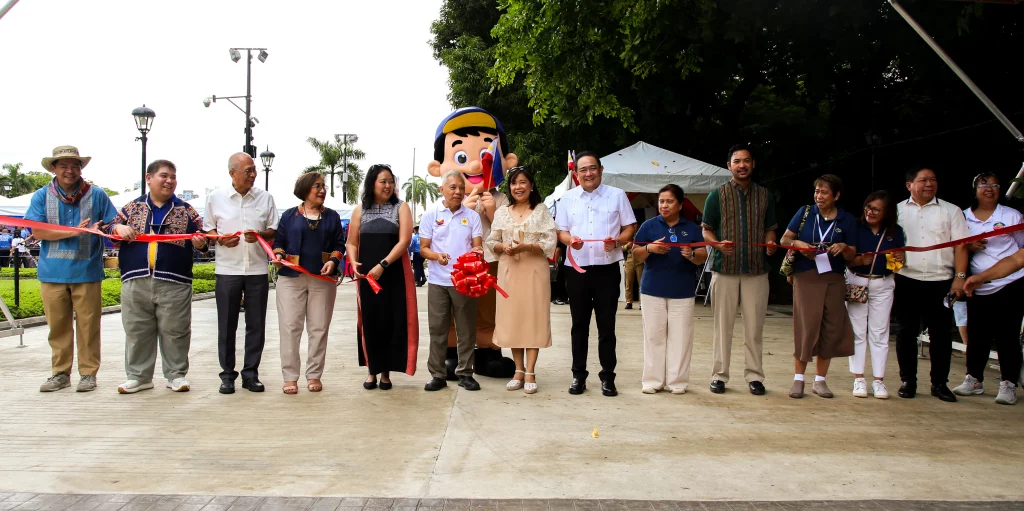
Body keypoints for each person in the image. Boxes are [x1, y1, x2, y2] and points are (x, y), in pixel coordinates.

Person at [27, 146, 130, 393]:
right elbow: (37, 231)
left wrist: (117, 229)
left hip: (87, 271)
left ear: (81, 168)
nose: (69, 171)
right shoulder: (41, 196)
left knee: (89, 325)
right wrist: (75, 231)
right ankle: (60, 373)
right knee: (58, 327)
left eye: (74, 165)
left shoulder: (97, 195)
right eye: (63, 165)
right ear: (54, 168)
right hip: (52, 272)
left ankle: (88, 373)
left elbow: (113, 223)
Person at [113, 160, 207, 394]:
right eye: (164, 176)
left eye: (173, 177)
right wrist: (118, 229)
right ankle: (138, 376)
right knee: (136, 329)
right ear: (149, 178)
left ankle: (176, 374)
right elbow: (109, 230)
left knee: (176, 330)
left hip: (174, 280)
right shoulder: (132, 208)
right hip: (136, 278)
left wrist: (201, 242)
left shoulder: (186, 209)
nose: (169, 181)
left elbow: (204, 235)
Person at [556, 151, 637, 397]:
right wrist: (571, 241)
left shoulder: (617, 196)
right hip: (577, 270)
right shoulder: (567, 199)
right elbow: (561, 232)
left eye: (592, 168)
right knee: (579, 326)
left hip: (607, 269)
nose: (588, 173)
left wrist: (619, 241)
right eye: (583, 170)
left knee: (607, 326)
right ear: (576, 174)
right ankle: (578, 375)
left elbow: (629, 227)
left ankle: (608, 377)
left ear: (601, 170)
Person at [701, 144, 778, 395]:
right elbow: (706, 230)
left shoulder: (765, 195)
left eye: (746, 161)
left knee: (754, 327)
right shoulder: (717, 195)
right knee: (722, 327)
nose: (742, 165)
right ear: (729, 166)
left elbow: (771, 228)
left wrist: (770, 242)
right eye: (737, 161)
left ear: (753, 164)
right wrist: (717, 245)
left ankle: (754, 376)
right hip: (725, 270)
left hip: (756, 269)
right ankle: (719, 375)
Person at [203, 152, 278, 394]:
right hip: (227, 270)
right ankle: (227, 375)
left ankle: (250, 374)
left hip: (256, 270)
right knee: (227, 325)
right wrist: (221, 240)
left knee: (256, 325)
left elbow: (274, 230)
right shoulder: (215, 198)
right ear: (232, 173)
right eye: (248, 171)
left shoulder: (265, 198)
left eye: (254, 170)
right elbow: (208, 231)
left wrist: (260, 235)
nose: (253, 175)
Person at [894, 168, 969, 402]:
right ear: (909, 185)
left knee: (941, 336)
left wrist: (959, 277)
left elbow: (962, 246)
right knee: (906, 333)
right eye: (923, 180)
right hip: (907, 279)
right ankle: (908, 381)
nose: (929, 184)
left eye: (933, 179)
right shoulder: (897, 211)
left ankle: (939, 383)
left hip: (942, 281)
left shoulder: (951, 210)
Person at [780, 174, 858, 399]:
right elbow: (785, 240)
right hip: (806, 276)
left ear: (837, 195)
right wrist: (798, 244)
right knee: (806, 325)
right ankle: (798, 379)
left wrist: (843, 246)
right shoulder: (805, 212)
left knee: (831, 327)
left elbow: (853, 254)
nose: (819, 196)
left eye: (824, 192)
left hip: (833, 277)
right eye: (817, 192)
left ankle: (821, 380)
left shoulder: (847, 219)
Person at [951, 172, 1024, 405]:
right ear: (975, 190)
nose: (989, 188)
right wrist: (970, 247)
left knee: (1008, 335)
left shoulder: (1012, 215)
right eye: (983, 184)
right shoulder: (963, 217)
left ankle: (1008, 384)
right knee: (977, 334)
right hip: (977, 285)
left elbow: (1021, 250)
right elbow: (956, 249)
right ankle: (974, 379)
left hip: (1010, 283)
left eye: (994, 184)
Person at [485, 166, 557, 394]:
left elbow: (550, 242)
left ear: (531, 186)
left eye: (523, 182)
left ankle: (531, 371)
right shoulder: (502, 212)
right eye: (515, 183)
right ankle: (518, 369)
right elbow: (491, 240)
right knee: (513, 318)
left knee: (533, 318)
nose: (519, 187)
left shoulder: (542, 210)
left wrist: (528, 246)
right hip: (509, 270)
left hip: (534, 269)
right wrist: (501, 246)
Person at [272, 173, 345, 394]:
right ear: (305, 189)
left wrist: (333, 261)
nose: (322, 190)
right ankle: (290, 376)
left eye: (323, 186)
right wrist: (278, 255)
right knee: (290, 327)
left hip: (322, 280)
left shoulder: (332, 217)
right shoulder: (289, 216)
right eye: (317, 186)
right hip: (290, 279)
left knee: (319, 328)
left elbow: (339, 245)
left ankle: (314, 375)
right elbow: (279, 242)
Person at [346, 164, 417, 390]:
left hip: (393, 273)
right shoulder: (359, 210)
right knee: (370, 321)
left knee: (391, 321)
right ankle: (371, 371)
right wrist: (353, 261)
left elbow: (404, 241)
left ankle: (386, 373)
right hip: (367, 276)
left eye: (390, 181)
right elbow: (351, 242)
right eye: (383, 181)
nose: (388, 186)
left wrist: (383, 264)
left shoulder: (401, 208)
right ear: (372, 184)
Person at [632, 184, 707, 394]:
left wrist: (691, 255)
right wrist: (650, 248)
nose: (664, 205)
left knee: (681, 338)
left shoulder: (692, 228)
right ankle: (653, 381)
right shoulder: (648, 226)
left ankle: (678, 382)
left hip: (682, 290)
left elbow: (702, 254)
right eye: (661, 201)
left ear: (680, 204)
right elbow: (635, 253)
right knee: (654, 336)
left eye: (669, 201)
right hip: (652, 289)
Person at [420, 170, 484, 391]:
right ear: (442, 190)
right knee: (438, 329)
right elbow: (423, 249)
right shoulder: (430, 215)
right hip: (438, 281)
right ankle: (437, 374)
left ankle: (466, 373)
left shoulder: (472, 216)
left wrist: (477, 252)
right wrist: (437, 256)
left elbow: (477, 245)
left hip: (464, 281)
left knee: (466, 330)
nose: (458, 192)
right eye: (452, 187)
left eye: (461, 187)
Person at [845, 191, 905, 399]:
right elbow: (846, 258)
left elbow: (897, 266)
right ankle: (858, 378)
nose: (870, 212)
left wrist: (899, 258)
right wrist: (859, 261)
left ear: (887, 212)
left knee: (880, 332)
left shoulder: (895, 231)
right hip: (856, 281)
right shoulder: (855, 226)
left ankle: (879, 380)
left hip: (883, 283)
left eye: (876, 209)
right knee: (857, 331)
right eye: (867, 207)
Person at [622, 240, 643, 310]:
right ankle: (629, 302)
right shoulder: (627, 235)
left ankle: (642, 303)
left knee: (641, 283)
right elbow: (620, 248)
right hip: (629, 259)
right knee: (628, 282)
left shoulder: (641, 234)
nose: (635, 228)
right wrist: (627, 246)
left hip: (640, 260)